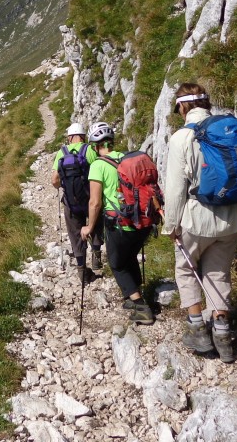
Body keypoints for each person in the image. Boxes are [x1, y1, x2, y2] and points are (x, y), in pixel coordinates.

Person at [162, 83, 237, 363]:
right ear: (206, 103)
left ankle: (198, 331)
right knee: (218, 274)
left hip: (197, 219)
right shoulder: (231, 131)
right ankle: (223, 335)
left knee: (187, 270)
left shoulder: (181, 139)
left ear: (182, 107)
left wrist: (171, 226)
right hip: (232, 217)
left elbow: (176, 189)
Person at [80, 121, 155, 325]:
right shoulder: (126, 158)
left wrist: (89, 227)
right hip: (142, 221)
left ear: (96, 146)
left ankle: (141, 306)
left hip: (119, 223)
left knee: (116, 263)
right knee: (129, 256)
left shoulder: (97, 165)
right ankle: (134, 295)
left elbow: (95, 202)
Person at [52, 122, 103, 281]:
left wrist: (64, 185)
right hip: (89, 198)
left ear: (70, 137)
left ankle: (81, 269)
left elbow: (54, 179)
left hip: (71, 203)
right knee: (96, 221)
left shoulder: (62, 152)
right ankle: (96, 255)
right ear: (83, 136)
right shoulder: (89, 150)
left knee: (75, 233)